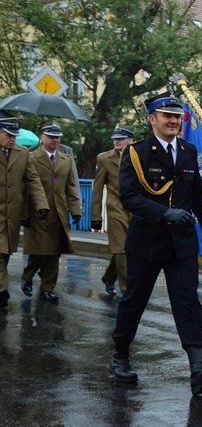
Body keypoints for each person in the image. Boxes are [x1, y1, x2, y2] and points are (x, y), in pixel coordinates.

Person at [109, 92, 202, 395]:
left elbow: (200, 195)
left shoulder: (188, 151)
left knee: (188, 302)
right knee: (134, 300)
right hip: (147, 241)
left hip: (182, 244)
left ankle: (198, 367)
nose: (174, 121)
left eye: (177, 117)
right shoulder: (136, 153)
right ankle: (120, 355)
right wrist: (165, 213)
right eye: (167, 116)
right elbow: (130, 197)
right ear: (153, 119)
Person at [22, 121, 81, 302]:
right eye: (51, 136)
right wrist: (25, 214)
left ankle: (48, 287)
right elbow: (24, 188)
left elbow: (71, 186)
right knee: (40, 250)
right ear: (42, 137)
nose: (55, 140)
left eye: (58, 137)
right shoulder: (31, 158)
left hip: (59, 213)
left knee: (55, 251)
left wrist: (75, 210)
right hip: (38, 212)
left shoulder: (66, 160)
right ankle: (28, 275)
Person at [0, 118, 48, 308]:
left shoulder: (22, 154)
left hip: (12, 214)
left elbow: (33, 180)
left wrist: (41, 205)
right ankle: (2, 290)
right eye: (8, 135)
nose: (12, 139)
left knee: (5, 253)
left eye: (14, 136)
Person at [91, 124, 134, 296]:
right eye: (115, 139)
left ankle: (109, 277)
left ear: (130, 140)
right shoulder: (104, 159)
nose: (116, 141)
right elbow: (97, 187)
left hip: (135, 210)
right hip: (115, 207)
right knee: (121, 248)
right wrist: (95, 216)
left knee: (127, 248)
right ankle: (127, 290)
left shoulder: (139, 156)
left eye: (121, 138)